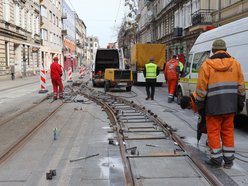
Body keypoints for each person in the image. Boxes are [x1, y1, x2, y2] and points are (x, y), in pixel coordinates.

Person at [196, 39, 246, 169]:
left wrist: (200, 105)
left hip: (212, 107)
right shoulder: (235, 64)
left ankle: (216, 159)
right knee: (228, 131)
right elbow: (241, 86)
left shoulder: (206, 65)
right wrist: (240, 102)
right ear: (225, 50)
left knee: (213, 132)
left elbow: (201, 89)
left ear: (213, 51)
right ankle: (229, 160)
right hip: (230, 106)